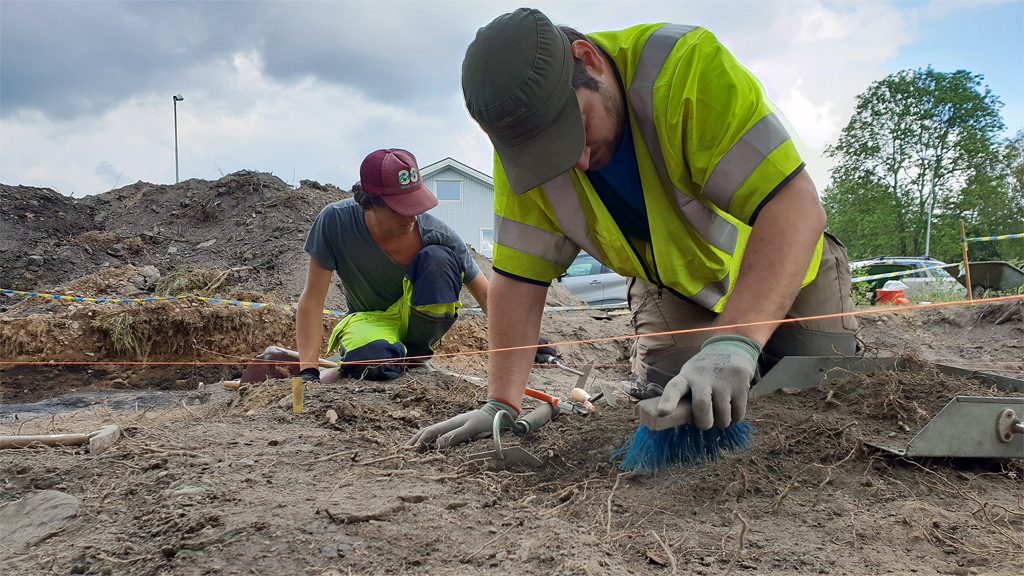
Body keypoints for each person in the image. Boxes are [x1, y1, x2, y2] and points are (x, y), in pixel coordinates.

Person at [408, 9, 857, 448]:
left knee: (823, 386)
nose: (578, 162)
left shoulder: (685, 68)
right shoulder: (525, 156)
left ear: (589, 59)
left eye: (577, 127)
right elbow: (518, 280)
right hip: (676, 287)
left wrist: (735, 342)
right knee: (683, 400)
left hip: (788, 265)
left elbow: (795, 208)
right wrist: (500, 403)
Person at [243, 148, 489, 384]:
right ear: (370, 202)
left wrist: (526, 346)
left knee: (440, 260)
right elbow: (313, 300)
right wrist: (309, 370)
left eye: (415, 204)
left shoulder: (436, 233)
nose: (412, 217)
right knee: (372, 360)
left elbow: (486, 295)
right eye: (400, 208)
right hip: (368, 322)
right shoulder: (335, 222)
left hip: (417, 321)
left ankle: (415, 358)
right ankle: (372, 358)